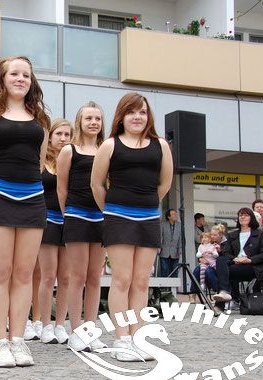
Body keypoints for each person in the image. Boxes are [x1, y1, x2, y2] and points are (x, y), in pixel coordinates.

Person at [0, 55, 50, 367]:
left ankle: (18, 339)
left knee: (24, 273)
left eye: (26, 75)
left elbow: (39, 164)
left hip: (32, 199)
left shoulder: (40, 120)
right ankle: (0, 341)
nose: (20, 79)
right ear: (1, 79)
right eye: (14, 74)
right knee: (0, 271)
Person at [91, 92, 173, 362]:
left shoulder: (161, 145)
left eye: (142, 112)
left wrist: (145, 204)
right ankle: (122, 339)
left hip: (148, 219)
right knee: (122, 279)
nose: (137, 117)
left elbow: (165, 183)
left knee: (141, 281)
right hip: (118, 218)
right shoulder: (110, 145)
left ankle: (138, 337)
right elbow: (97, 184)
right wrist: (113, 211)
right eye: (131, 112)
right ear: (121, 116)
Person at [57, 102, 108, 353]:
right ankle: (76, 332)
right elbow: (61, 189)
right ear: (79, 121)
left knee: (95, 277)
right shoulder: (69, 150)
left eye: (97, 118)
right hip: (76, 215)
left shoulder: (107, 150)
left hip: (101, 218)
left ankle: (90, 330)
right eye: (88, 118)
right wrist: (68, 215)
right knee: (77, 277)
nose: (93, 122)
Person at [36, 118, 71, 345]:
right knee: (48, 276)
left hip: (68, 221)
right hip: (47, 220)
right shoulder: (42, 160)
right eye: (59, 134)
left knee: (66, 277)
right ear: (50, 136)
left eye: (67, 135)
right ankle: (45, 324)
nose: (63, 138)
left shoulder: (71, 160)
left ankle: (60, 324)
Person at [213, 207, 263, 311]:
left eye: (246, 215)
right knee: (220, 261)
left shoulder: (259, 234)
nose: (242, 217)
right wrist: (235, 259)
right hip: (236, 264)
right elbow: (226, 252)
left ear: (251, 218)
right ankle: (224, 293)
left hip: (253, 267)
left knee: (224, 272)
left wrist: (249, 260)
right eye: (240, 215)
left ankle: (219, 305)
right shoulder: (232, 235)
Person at [191, 224, 224, 293]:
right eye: (211, 234)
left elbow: (225, 256)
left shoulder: (224, 243)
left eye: (214, 235)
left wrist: (219, 251)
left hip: (219, 265)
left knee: (208, 271)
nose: (212, 236)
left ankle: (218, 291)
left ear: (220, 235)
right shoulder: (207, 243)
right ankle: (193, 292)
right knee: (196, 270)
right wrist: (201, 258)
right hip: (206, 263)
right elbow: (201, 254)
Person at [158, 209, 181, 277]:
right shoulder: (162, 225)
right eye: (173, 214)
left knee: (175, 271)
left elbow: (181, 238)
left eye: (176, 214)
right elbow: (159, 237)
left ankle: (174, 284)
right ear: (169, 217)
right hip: (164, 250)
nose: (175, 215)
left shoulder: (179, 225)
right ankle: (164, 284)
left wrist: (180, 249)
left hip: (175, 251)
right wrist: (158, 247)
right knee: (164, 270)